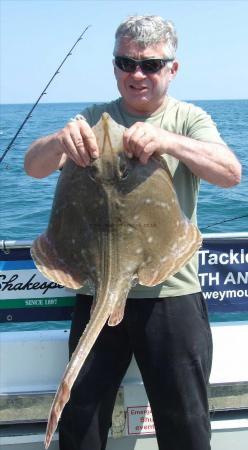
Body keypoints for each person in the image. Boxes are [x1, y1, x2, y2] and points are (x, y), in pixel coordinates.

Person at [24, 15, 241, 450]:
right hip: (96, 288)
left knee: (185, 422)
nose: (136, 74)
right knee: (81, 420)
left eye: (151, 65)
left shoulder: (188, 118)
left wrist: (167, 142)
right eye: (126, 63)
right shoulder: (93, 118)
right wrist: (59, 142)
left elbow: (230, 173)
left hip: (171, 296)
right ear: (115, 66)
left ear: (172, 69)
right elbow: (33, 167)